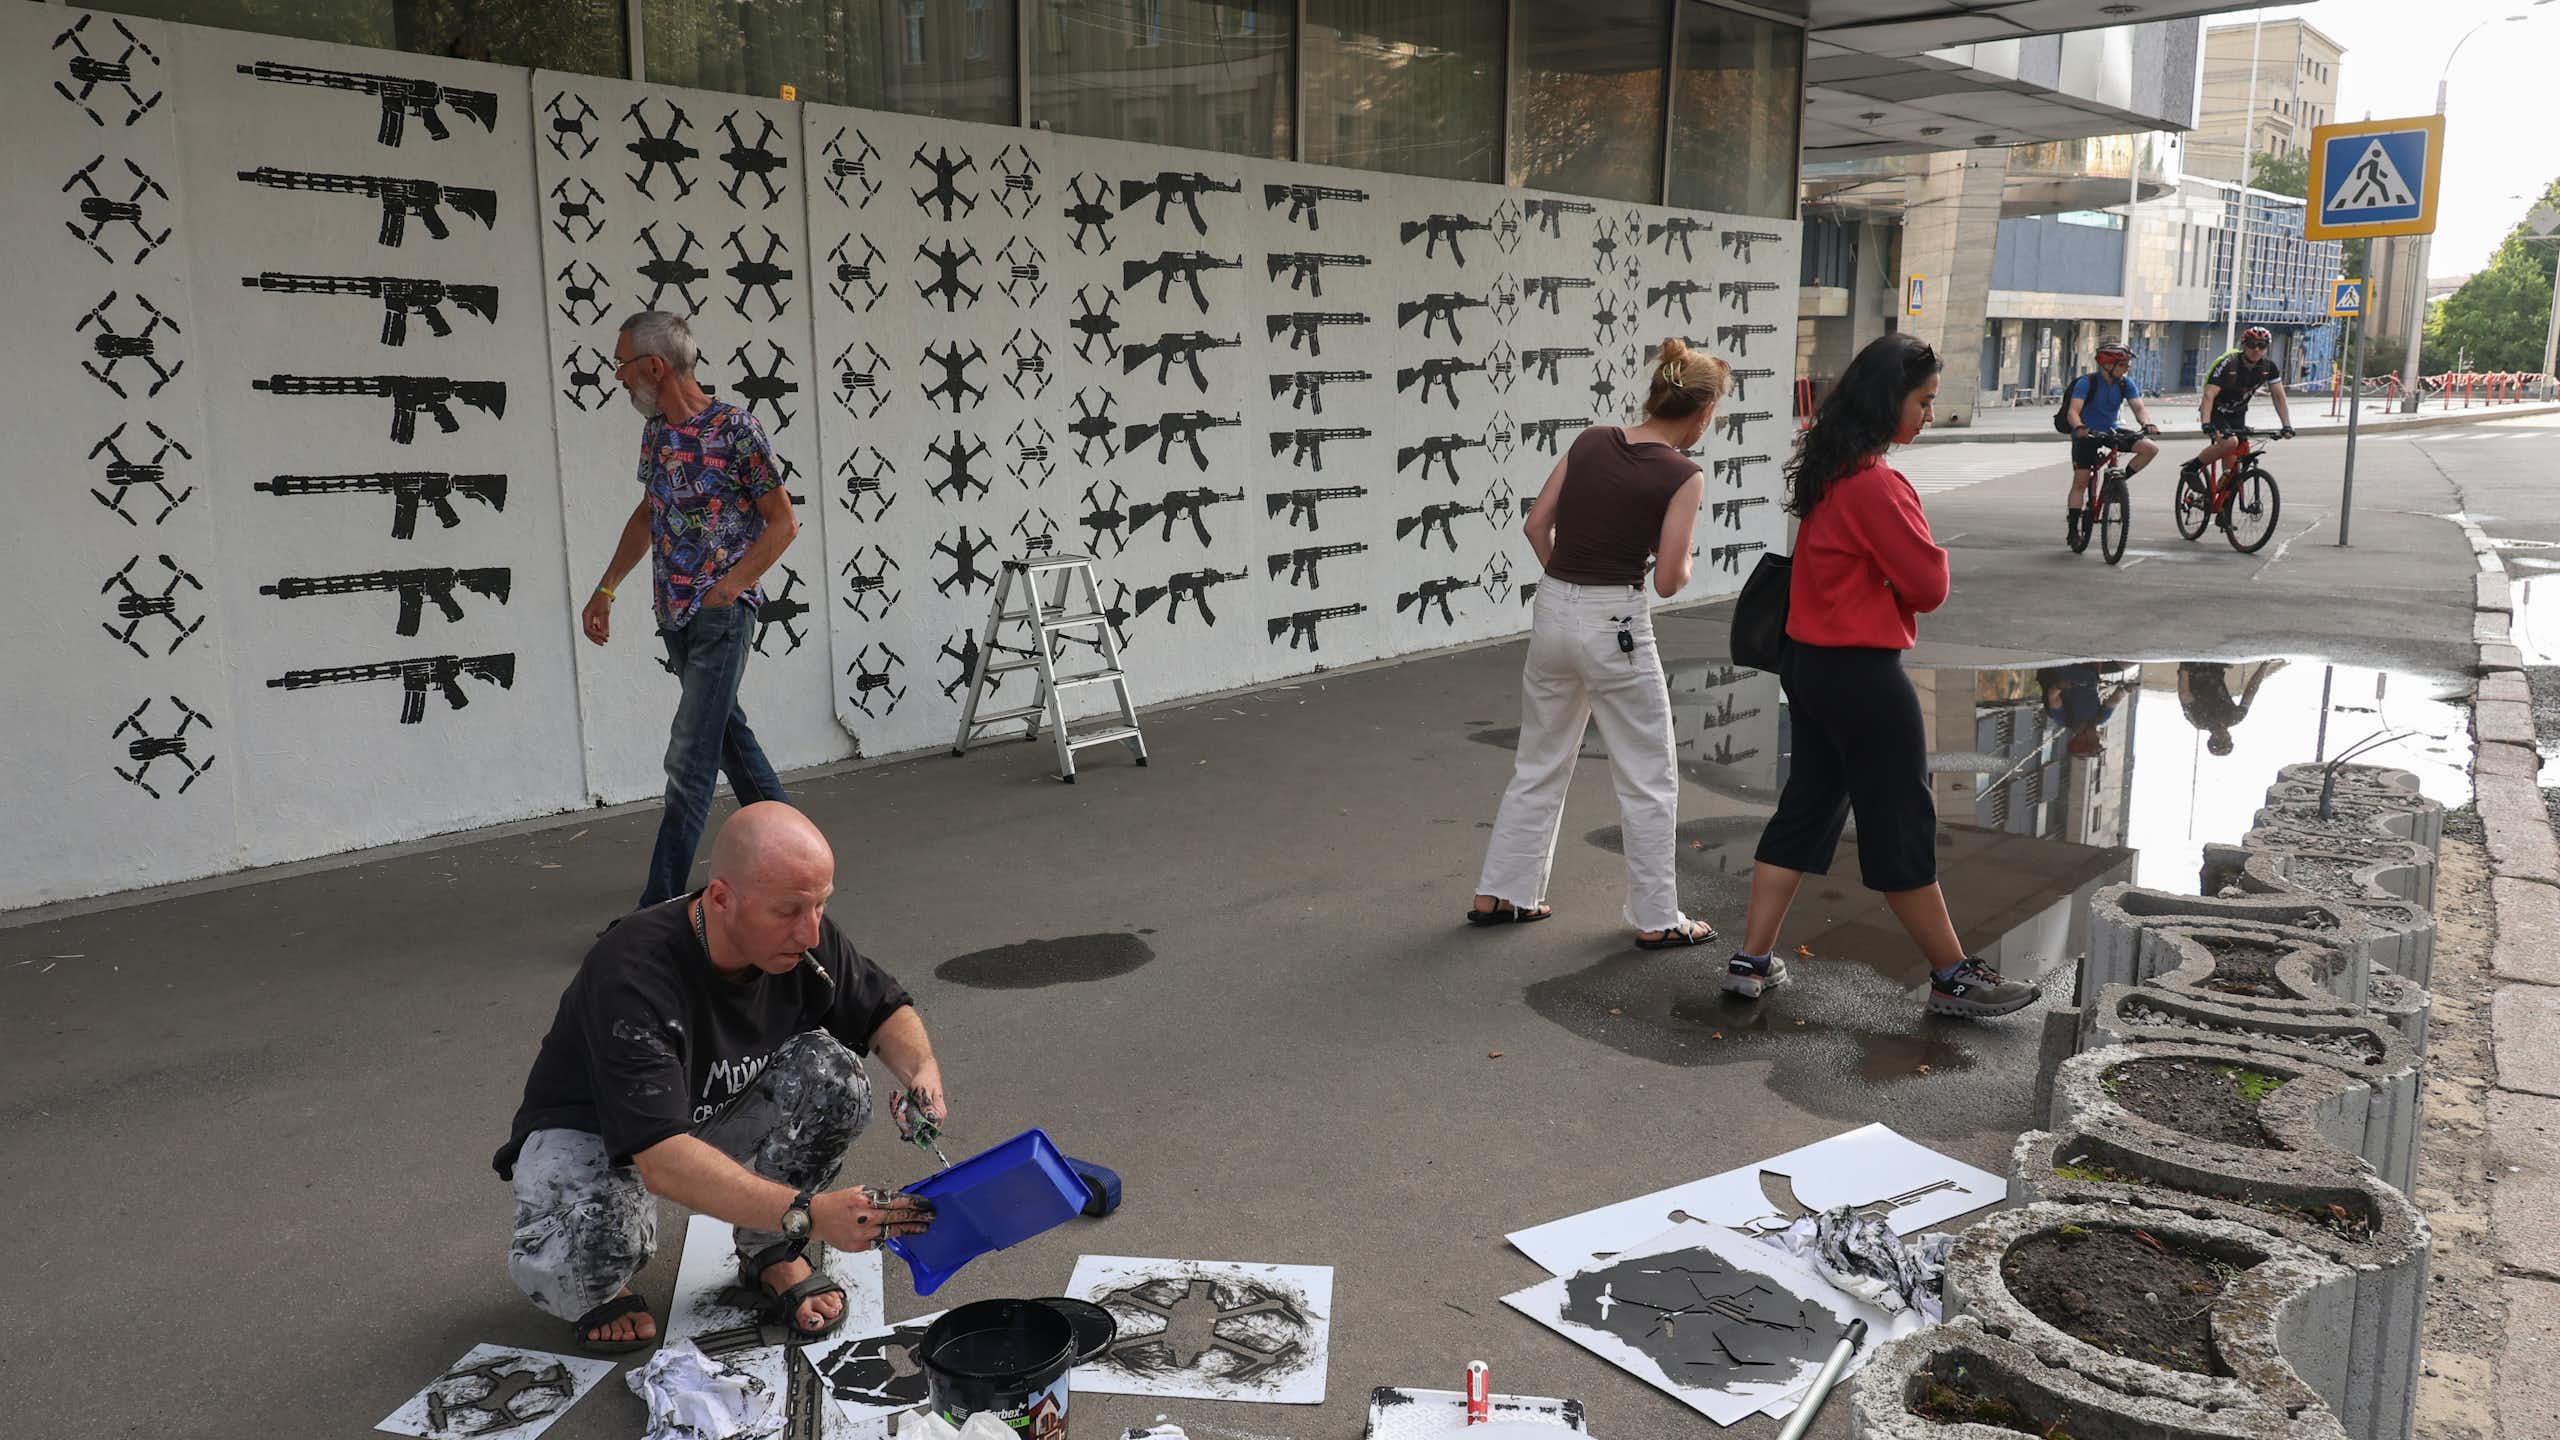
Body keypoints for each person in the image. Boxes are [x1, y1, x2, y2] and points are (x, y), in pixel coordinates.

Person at [494, 803, 947, 1353]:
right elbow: (662, 1160)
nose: (810, 932)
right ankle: (597, 1278)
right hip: (602, 1134)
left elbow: (882, 1010)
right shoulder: (632, 972)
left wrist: (922, 1075)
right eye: (788, 911)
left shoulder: (799, 937)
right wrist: (811, 1214)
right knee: (589, 1263)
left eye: (820, 905)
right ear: (721, 898)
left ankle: (770, 1249)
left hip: (704, 1110)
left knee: (836, 1078)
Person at [1722, 333, 2040, 1018]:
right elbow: (1928, 586)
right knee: (1900, 818)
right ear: (1887, 399)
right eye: (1922, 401)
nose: (1929, 414)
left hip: (1808, 665)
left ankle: (1750, 961)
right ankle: (1952, 976)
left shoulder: (1829, 469)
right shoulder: (1877, 483)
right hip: (1862, 675)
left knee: (1806, 808)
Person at [1469, 338, 1728, 949]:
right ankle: (1658, 917)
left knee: (1539, 759)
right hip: (1617, 624)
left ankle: (1501, 893)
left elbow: (1536, 524)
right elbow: (1668, 581)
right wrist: (1685, 557)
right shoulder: (1683, 474)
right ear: (1702, 412)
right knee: (1647, 775)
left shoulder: (1591, 440)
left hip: (1553, 607)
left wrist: (1569, 586)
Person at [585, 311, 802, 911]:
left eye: (622, 364)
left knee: (690, 758)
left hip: (721, 618)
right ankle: (798, 860)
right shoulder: (657, 434)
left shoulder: (736, 428)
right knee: (732, 744)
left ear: (654, 367)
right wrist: (606, 588)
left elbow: (783, 523)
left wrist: (728, 590)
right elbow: (650, 513)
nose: (619, 377)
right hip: (675, 617)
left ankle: (656, 908)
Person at [2180, 327, 2294, 512]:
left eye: (2262, 346)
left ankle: (2223, 506)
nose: (2256, 349)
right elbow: (2209, 394)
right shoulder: (2229, 364)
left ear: (2267, 348)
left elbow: (2279, 396)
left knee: (2236, 463)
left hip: (2238, 413)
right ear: (2243, 345)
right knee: (2229, 442)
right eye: (2252, 344)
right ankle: (2191, 469)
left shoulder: (2268, 368)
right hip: (2216, 410)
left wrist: (2286, 425)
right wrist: (2206, 423)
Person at [2061, 340, 2161, 547]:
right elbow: (2073, 412)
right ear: (2107, 365)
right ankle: (2072, 531)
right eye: (2122, 365)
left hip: (2110, 430)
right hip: (2086, 434)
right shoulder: (2086, 383)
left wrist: (2147, 423)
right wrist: (2079, 427)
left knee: (2150, 449)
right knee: (2080, 482)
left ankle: (2116, 484)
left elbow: (2139, 408)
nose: (2126, 369)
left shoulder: (2125, 383)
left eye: (2127, 365)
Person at [2178, 659, 2283, 755]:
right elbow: (2251, 690)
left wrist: (2185, 668)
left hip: (2195, 668)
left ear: (2211, 739)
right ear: (2230, 737)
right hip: (2214, 667)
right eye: (2226, 740)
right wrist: (2264, 665)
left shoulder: (2200, 721)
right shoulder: (2235, 717)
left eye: (2219, 740)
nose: (2223, 736)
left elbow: (2184, 694)